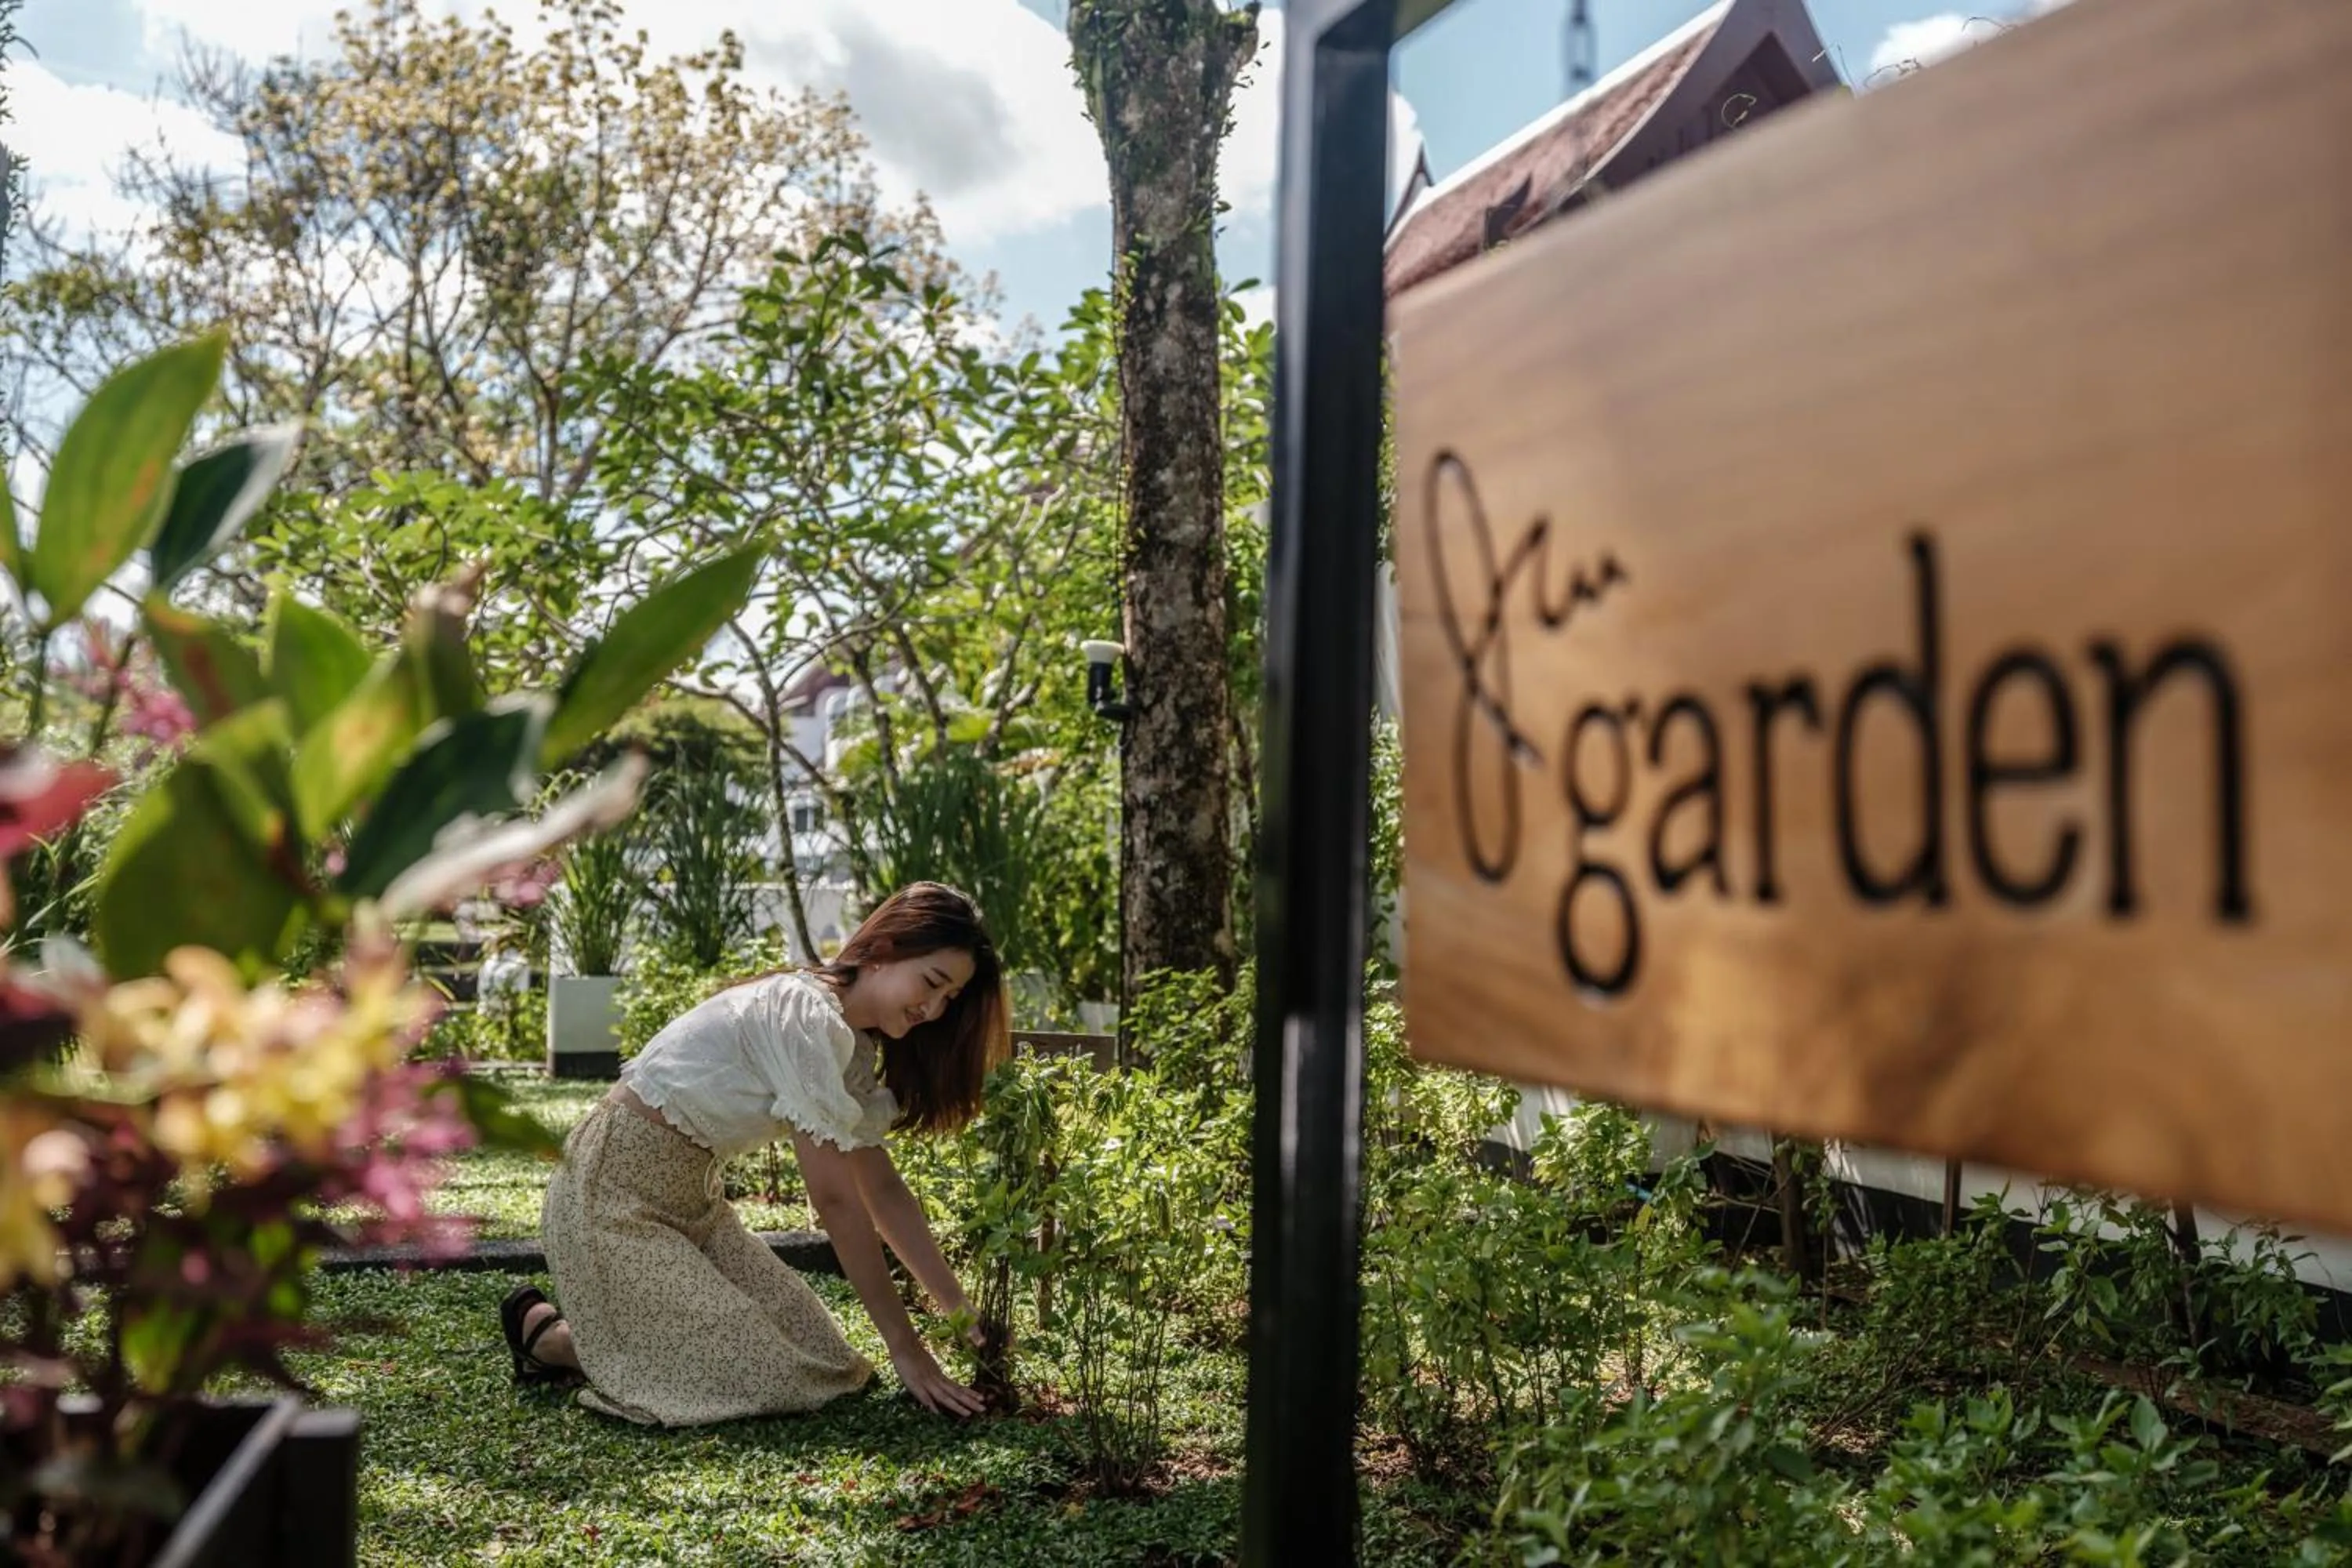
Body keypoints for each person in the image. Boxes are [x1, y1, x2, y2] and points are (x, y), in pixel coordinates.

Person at [497, 882, 1008, 1425]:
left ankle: (622, 1339)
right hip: (608, 1199)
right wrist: (906, 1349)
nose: (933, 1008)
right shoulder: (805, 1017)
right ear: (883, 951)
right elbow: (837, 1201)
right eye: (931, 982)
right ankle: (551, 1339)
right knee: (770, 1374)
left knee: (827, 1364)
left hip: (696, 1210)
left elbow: (881, 1190)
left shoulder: (849, 1048)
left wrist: (960, 1311)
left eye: (949, 998)